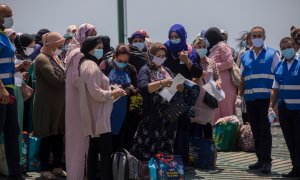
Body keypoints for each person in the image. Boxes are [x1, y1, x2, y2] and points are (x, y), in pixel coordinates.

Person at [78, 36, 126, 180]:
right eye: (98, 48)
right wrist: (113, 93)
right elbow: (95, 92)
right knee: (105, 153)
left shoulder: (87, 64)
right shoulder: (90, 66)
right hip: (98, 116)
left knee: (93, 151)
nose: (101, 50)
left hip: (96, 115)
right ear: (89, 49)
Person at [237, 26, 280, 174]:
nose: (256, 38)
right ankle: (260, 159)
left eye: (259, 35)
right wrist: (238, 95)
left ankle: (267, 161)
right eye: (254, 35)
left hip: (266, 100)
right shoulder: (245, 56)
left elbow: (278, 77)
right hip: (250, 99)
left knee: (265, 130)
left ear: (264, 37)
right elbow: (242, 79)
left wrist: (273, 102)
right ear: (250, 38)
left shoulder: (273, 54)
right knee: (255, 130)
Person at [131, 42, 185, 161]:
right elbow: (143, 88)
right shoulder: (145, 70)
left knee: (166, 147)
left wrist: (180, 88)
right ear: (151, 55)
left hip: (170, 116)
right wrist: (161, 83)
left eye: (163, 56)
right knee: (148, 147)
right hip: (153, 116)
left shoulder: (167, 70)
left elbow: (177, 85)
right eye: (158, 55)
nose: (160, 58)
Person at [164, 24, 202, 165]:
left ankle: (181, 161)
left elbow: (197, 73)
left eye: (176, 37)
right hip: (167, 92)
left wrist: (187, 62)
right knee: (167, 126)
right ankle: (168, 160)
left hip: (183, 93)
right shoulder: (164, 49)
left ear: (183, 36)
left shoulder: (190, 51)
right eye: (171, 37)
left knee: (182, 127)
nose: (174, 39)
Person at [0, 4, 29, 179]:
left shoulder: (3, 36)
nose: (11, 17)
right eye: (8, 15)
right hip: (2, 92)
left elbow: (5, 66)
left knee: (12, 132)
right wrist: (1, 89)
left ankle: (15, 173)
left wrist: (19, 67)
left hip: (9, 89)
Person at [65, 23, 97, 180]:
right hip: (79, 102)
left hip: (75, 102)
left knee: (76, 141)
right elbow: (75, 80)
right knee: (79, 142)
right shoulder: (79, 54)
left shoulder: (72, 51)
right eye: (91, 34)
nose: (94, 38)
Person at [33, 32, 67, 179]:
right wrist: (68, 78)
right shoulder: (41, 58)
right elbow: (54, 80)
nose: (60, 47)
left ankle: (57, 167)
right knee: (47, 137)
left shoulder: (55, 57)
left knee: (58, 136)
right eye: (58, 45)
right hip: (47, 105)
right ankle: (45, 169)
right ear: (50, 44)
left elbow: (61, 76)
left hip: (58, 105)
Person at [270, 37, 300, 178]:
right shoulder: (279, 66)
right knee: (290, 140)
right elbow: (275, 89)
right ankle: (296, 167)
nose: (285, 50)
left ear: (295, 46)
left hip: (298, 109)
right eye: (282, 48)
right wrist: (271, 107)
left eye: (288, 46)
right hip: (284, 108)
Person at [100, 45, 139, 151]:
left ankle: (117, 163)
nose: (122, 63)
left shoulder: (131, 69)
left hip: (122, 109)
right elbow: (98, 84)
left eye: (125, 61)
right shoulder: (106, 65)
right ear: (115, 56)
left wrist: (129, 90)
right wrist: (111, 89)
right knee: (106, 138)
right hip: (106, 107)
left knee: (120, 138)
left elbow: (136, 89)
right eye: (119, 60)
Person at [191, 38, 221, 139]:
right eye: (199, 47)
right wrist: (198, 76)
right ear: (194, 48)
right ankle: (195, 152)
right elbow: (189, 80)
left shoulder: (211, 62)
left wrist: (218, 84)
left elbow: (218, 78)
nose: (201, 49)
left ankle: (208, 151)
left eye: (204, 47)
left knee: (208, 127)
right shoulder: (192, 62)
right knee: (195, 127)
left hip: (209, 98)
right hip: (195, 99)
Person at [205, 27, 236, 124]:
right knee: (216, 112)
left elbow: (229, 62)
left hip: (224, 83)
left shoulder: (222, 46)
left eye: (207, 37)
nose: (206, 40)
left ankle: (229, 137)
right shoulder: (213, 49)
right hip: (214, 84)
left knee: (227, 113)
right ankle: (218, 138)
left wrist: (212, 67)